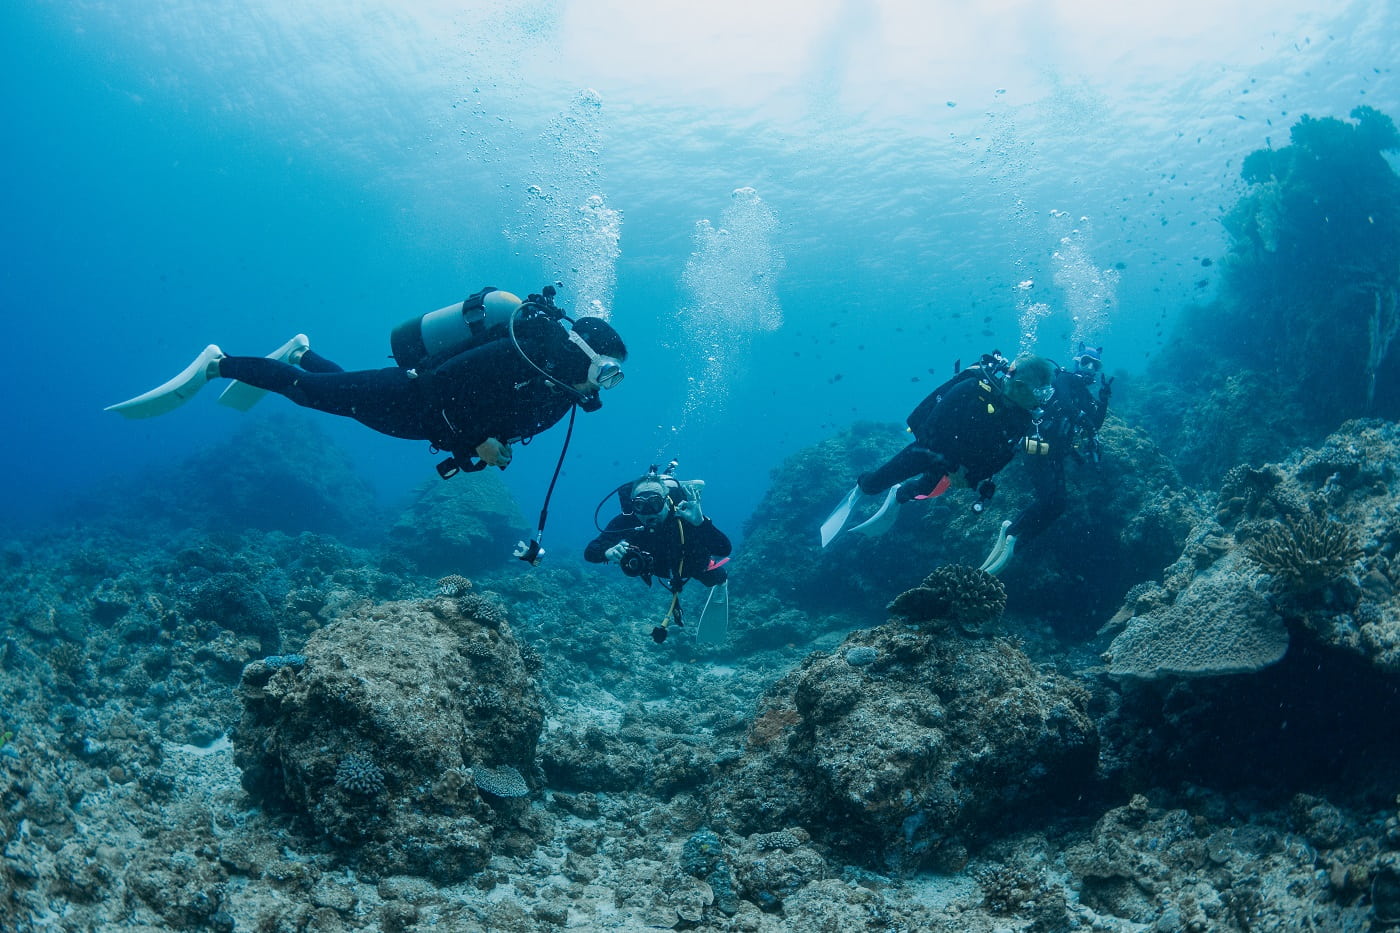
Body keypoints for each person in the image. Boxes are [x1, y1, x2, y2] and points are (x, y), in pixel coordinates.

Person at [106, 286, 627, 477]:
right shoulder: (522, 353)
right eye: (607, 371)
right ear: (583, 353)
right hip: (411, 393)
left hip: (421, 426)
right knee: (312, 396)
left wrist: (491, 448)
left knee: (344, 404)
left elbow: (500, 425)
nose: (606, 385)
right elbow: (444, 381)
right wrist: (478, 440)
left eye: (614, 379)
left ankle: (302, 352)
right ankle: (218, 362)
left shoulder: (560, 398)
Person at [820, 352, 1057, 547]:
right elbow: (931, 432)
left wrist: (971, 478)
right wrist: (954, 467)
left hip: (960, 463)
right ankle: (862, 488)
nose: (1042, 401)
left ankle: (899, 495)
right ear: (1018, 386)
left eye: (1047, 393)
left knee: (923, 490)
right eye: (1040, 392)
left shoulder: (1022, 417)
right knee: (875, 485)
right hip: (929, 451)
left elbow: (1002, 457)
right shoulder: (972, 389)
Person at [979, 344, 1112, 574]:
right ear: (1076, 362)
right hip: (1037, 449)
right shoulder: (1065, 380)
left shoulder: (1084, 391)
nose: (1090, 368)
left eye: (1095, 364)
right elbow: (1068, 406)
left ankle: (1015, 546)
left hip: (1056, 454)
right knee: (1047, 497)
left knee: (1059, 505)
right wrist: (1084, 420)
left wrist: (1104, 399)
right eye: (1085, 362)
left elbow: (1096, 424)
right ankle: (1009, 532)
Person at [585, 463, 733, 644]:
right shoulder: (628, 520)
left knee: (711, 577)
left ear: (666, 500)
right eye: (640, 505)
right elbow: (590, 551)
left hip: (690, 563)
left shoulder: (684, 514)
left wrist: (700, 523)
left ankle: (720, 581)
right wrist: (606, 552)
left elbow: (724, 549)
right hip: (658, 568)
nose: (648, 512)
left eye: (654, 503)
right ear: (633, 506)